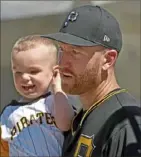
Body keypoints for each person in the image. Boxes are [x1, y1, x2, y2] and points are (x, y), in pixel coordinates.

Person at [42, 5, 141, 157]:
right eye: (62, 49)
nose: (62, 62)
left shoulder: (124, 123)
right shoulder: (81, 117)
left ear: (108, 59)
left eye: (75, 52)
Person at [0, 35, 75, 157]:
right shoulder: (8, 113)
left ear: (54, 72)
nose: (24, 77)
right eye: (18, 72)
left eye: (33, 71)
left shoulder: (56, 101)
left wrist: (57, 87)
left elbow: (66, 124)